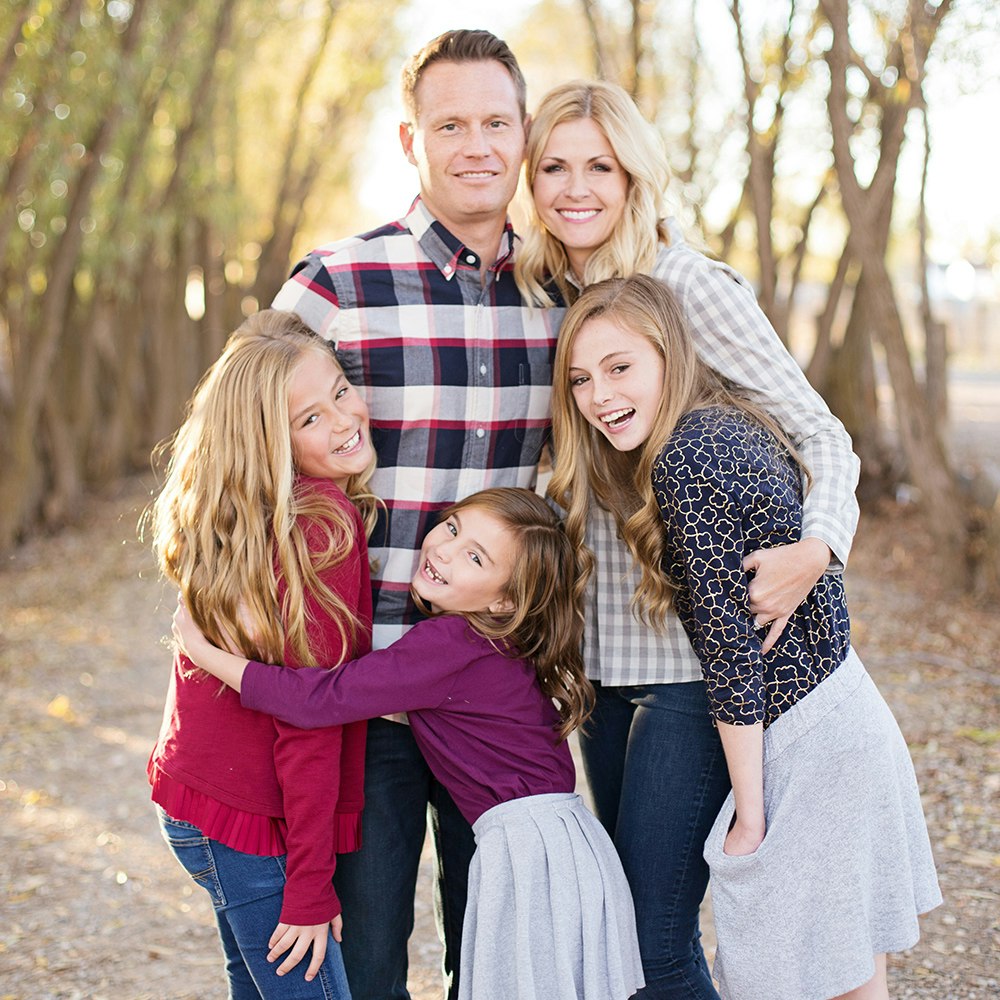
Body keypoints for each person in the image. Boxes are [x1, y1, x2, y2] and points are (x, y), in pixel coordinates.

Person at [516, 79, 864, 999]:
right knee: (631, 924)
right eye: (553, 165)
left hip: (686, 664)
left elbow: (821, 432)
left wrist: (818, 549)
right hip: (598, 665)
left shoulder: (688, 288)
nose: (576, 186)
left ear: (636, 176)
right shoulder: (553, 297)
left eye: (600, 164)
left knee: (651, 931)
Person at [550, 274, 941, 1000]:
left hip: (806, 740)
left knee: (797, 971)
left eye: (620, 367)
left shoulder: (684, 462)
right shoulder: (728, 421)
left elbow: (730, 657)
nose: (600, 396)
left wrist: (751, 814)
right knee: (849, 972)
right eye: (580, 379)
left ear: (670, 354)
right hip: (845, 711)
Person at [270, 29, 560, 1000]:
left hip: (497, 696)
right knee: (369, 961)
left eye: (494, 122)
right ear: (410, 141)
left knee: (499, 955)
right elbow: (235, 447)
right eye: (449, 125)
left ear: (522, 135)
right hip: (367, 693)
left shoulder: (563, 297)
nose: (475, 144)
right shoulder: (336, 284)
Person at [172, 487, 646, 1000]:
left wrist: (206, 653)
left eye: (474, 557)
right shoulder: (491, 641)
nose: (444, 548)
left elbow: (320, 699)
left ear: (505, 599)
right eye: (453, 526)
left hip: (529, 849)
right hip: (562, 840)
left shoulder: (448, 645)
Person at [145, 310, 380, 997]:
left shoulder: (252, 517)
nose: (341, 419)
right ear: (268, 443)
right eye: (308, 419)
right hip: (248, 822)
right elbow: (309, 720)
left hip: (198, 799)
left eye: (340, 391)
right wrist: (309, 886)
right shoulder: (321, 531)